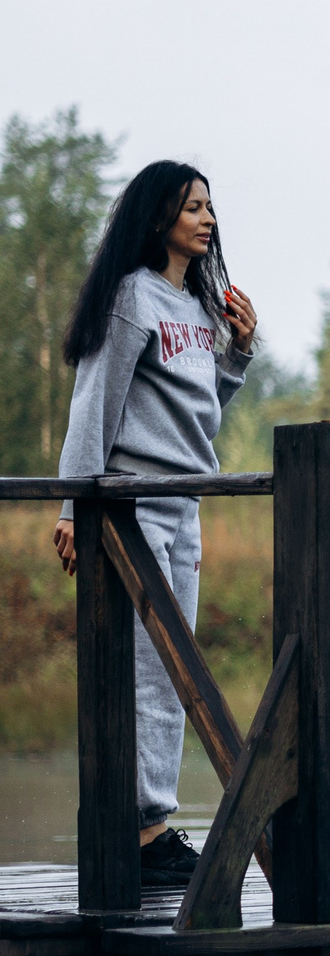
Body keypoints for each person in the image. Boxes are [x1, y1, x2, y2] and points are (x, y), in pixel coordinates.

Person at [49, 161, 259, 886]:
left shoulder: (197, 309)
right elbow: (94, 406)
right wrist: (76, 504)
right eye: (191, 206)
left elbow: (199, 415)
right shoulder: (132, 299)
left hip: (185, 503)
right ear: (158, 216)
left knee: (175, 673)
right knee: (142, 670)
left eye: (209, 206)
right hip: (132, 506)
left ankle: (152, 825)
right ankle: (140, 829)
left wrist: (237, 350)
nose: (206, 218)